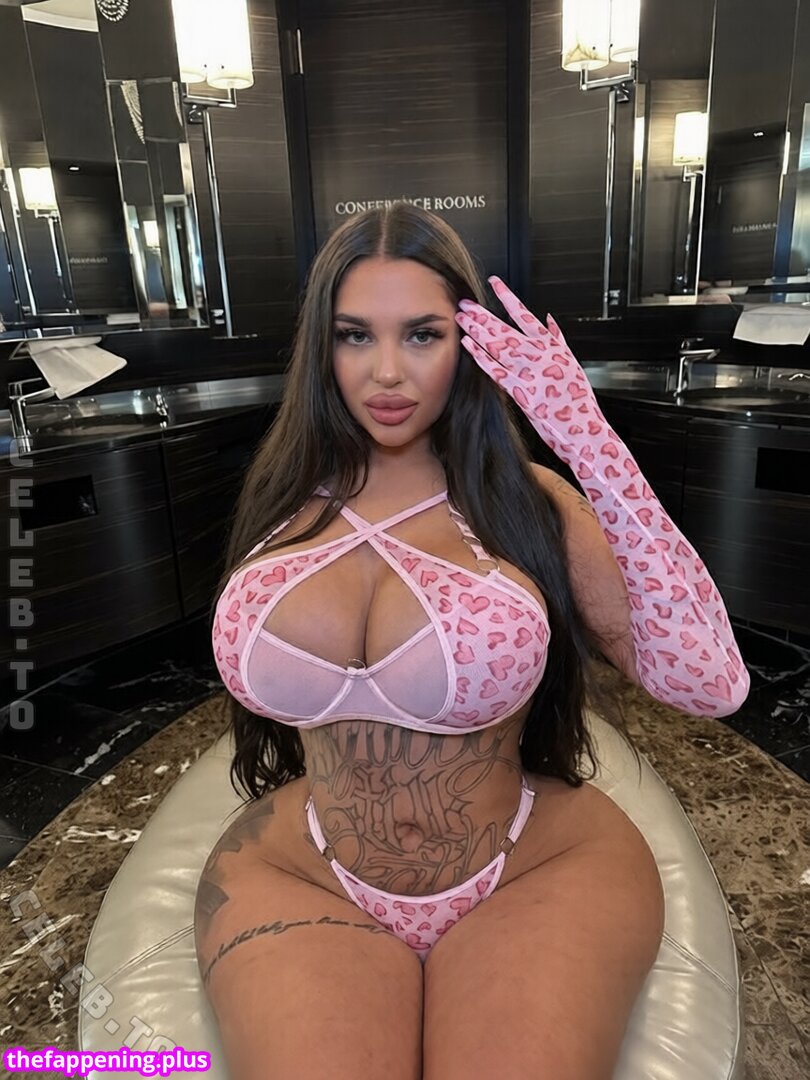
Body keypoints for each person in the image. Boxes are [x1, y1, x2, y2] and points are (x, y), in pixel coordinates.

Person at [194, 202, 749, 1080]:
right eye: (354, 336)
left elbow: (710, 684)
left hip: (534, 866)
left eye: (423, 335)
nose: (386, 372)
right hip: (307, 873)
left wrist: (586, 438)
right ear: (321, 349)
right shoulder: (279, 499)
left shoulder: (524, 502)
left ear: (468, 344)